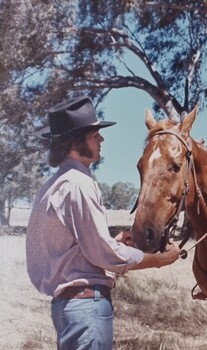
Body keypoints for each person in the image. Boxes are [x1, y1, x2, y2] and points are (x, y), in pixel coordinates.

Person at [26, 96, 180, 350]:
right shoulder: (79, 184)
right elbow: (104, 254)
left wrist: (112, 241)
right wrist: (158, 260)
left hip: (67, 308)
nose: (102, 139)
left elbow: (67, 247)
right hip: (87, 307)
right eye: (95, 134)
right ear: (76, 140)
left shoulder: (53, 185)